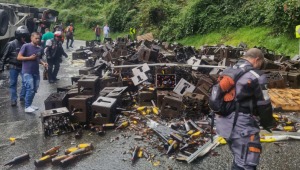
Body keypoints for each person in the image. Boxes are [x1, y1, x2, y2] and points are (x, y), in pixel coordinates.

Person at [215, 48, 275, 170]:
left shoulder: (228, 70)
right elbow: (264, 104)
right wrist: (269, 123)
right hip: (242, 126)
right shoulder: (257, 76)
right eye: (261, 64)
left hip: (223, 123)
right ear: (257, 59)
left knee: (239, 157)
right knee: (247, 163)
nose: (260, 67)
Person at [17, 32, 48, 113]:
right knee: (30, 88)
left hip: (36, 72)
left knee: (35, 89)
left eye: (39, 38)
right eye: (36, 38)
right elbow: (19, 57)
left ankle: (30, 104)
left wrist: (43, 63)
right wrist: (29, 58)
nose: (38, 40)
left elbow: (37, 59)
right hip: (27, 72)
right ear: (31, 38)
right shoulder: (26, 46)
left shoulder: (39, 48)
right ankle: (27, 107)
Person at [0, 26, 30, 106]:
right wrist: (1, 66)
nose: (24, 38)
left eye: (25, 36)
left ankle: (22, 97)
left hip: (23, 67)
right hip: (13, 67)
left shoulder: (26, 45)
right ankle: (13, 99)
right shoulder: (11, 44)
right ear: (19, 36)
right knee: (13, 83)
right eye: (23, 36)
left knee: (26, 82)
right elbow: (4, 56)